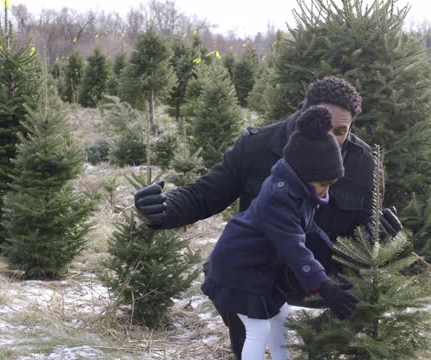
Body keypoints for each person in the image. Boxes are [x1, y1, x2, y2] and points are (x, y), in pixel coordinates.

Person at [134, 77, 402, 358]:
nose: (332, 138)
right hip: (260, 268)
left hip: (319, 267)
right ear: (303, 114)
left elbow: (360, 236)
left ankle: (317, 344)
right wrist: (162, 210)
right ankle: (246, 343)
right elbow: (204, 194)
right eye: (324, 127)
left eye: (340, 131)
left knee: (372, 288)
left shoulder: (363, 163)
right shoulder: (257, 147)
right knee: (225, 274)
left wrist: (377, 236)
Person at [201, 106, 359, 360]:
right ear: (305, 174)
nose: (325, 191)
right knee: (257, 328)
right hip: (239, 268)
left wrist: (336, 259)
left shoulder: (300, 190)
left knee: (281, 317)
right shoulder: (279, 197)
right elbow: (294, 249)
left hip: (260, 268)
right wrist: (325, 287)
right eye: (323, 184)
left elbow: (310, 230)